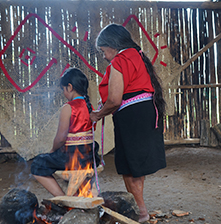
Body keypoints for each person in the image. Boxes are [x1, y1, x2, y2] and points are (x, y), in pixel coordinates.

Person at [90, 24, 166, 223]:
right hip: (146, 113)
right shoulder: (137, 55)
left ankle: (141, 212)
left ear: (112, 46)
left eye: (104, 51)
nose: (105, 56)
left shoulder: (120, 60)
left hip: (132, 117)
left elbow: (114, 100)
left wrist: (98, 114)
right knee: (136, 166)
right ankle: (140, 209)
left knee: (129, 166)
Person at [31, 67, 99, 197]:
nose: (63, 92)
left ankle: (62, 197)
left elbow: (61, 139)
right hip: (90, 156)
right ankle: (77, 193)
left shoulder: (68, 107)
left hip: (74, 157)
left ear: (69, 87)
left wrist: (52, 150)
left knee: (38, 164)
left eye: (63, 89)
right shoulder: (90, 106)